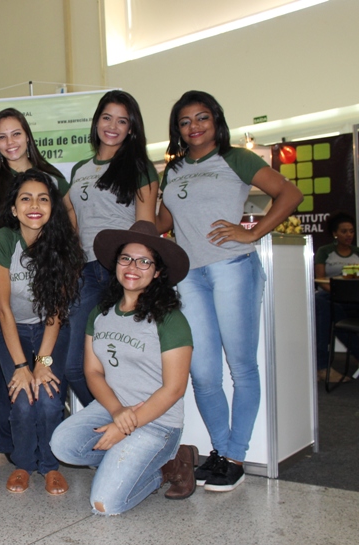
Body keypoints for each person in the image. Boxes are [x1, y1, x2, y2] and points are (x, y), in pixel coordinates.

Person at [157, 90, 303, 491]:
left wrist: (251, 231)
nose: (194, 127)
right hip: (188, 276)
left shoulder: (235, 157)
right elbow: (162, 222)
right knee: (203, 373)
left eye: (202, 118)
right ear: (178, 129)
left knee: (240, 367)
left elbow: (290, 194)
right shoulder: (173, 171)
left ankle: (236, 454)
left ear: (216, 121)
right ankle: (220, 453)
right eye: (185, 122)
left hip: (232, 267)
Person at [50, 220, 197, 515]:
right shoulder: (100, 313)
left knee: (105, 505)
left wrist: (127, 424)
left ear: (157, 272)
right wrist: (117, 414)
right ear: (116, 264)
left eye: (145, 261)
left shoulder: (170, 319)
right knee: (63, 444)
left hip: (157, 421)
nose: (133, 266)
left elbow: (174, 388)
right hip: (112, 407)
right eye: (126, 258)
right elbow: (92, 372)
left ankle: (166, 466)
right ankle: (132, 460)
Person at [0, 107, 71, 457]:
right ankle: (14, 452)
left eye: (15, 133)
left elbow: (67, 218)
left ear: (28, 136)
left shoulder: (50, 176)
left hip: (48, 289)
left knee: (45, 381)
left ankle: (49, 457)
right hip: (8, 289)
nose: (9, 142)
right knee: (11, 381)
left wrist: (66, 254)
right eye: (1, 136)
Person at [0, 170, 84, 495]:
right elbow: (2, 309)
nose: (34, 205)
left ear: (52, 207)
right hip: (11, 328)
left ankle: (50, 466)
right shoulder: (3, 239)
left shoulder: (60, 243)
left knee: (46, 398)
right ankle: (23, 465)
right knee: (22, 397)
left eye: (43, 199)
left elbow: (56, 312)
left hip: (50, 329)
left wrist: (42, 361)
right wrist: (20, 366)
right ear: (14, 209)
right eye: (25, 198)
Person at [64, 90, 159, 408]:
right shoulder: (79, 170)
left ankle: (125, 435)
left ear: (132, 128)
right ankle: (112, 427)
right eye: (107, 117)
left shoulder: (139, 167)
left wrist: (132, 276)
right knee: (75, 367)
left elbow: (145, 227)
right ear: (96, 121)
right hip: (84, 272)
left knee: (119, 364)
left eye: (123, 120)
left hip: (119, 272)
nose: (113, 126)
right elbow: (73, 221)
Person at [314, 211, 359, 382]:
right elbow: (321, 279)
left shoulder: (357, 252)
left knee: (328, 308)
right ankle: (323, 367)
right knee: (323, 304)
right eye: (344, 231)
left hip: (353, 299)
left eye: (351, 231)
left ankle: (322, 367)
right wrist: (336, 292)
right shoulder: (325, 251)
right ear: (335, 233)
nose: (349, 235)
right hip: (330, 295)